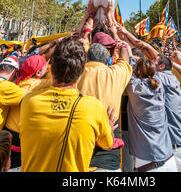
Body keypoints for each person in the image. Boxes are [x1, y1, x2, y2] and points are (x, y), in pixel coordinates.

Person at [20, 37, 116, 172]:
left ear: (51, 69)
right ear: (82, 71)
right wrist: (110, 128)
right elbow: (108, 145)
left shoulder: (29, 102)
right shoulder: (94, 108)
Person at [76, 35, 132, 172]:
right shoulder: (116, 74)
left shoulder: (73, 74)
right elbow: (125, 60)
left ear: (87, 58)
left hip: (76, 158)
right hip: (107, 161)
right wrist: (122, 46)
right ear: (108, 60)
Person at [126, 55, 177, 172]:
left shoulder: (135, 88)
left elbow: (129, 69)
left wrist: (131, 56)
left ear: (137, 71)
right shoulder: (159, 85)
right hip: (170, 160)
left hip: (150, 166)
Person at [4, 54, 50, 169]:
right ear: (38, 73)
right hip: (18, 135)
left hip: (7, 130)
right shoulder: (37, 84)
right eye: (45, 67)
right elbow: (56, 79)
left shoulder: (19, 82)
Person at [156, 54, 181, 172]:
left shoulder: (163, 78)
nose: (151, 65)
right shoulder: (171, 77)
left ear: (162, 66)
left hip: (178, 153)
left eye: (154, 63)